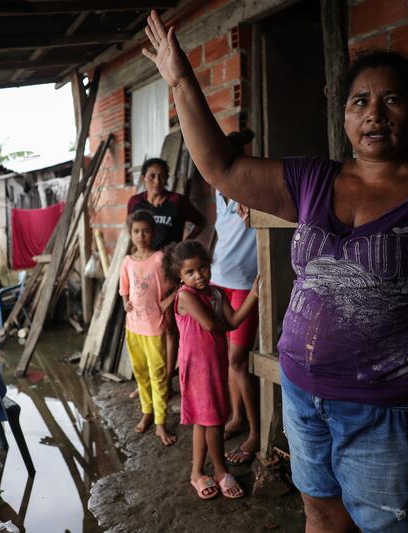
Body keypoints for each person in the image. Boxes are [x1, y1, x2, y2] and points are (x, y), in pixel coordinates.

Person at [143, 10, 408, 532]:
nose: (374, 114)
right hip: (303, 396)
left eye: (391, 100)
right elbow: (223, 168)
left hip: (391, 410)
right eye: (360, 101)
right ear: (343, 114)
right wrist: (181, 80)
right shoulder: (315, 179)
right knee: (319, 513)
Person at [164, 239, 259, 500]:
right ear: (180, 276)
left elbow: (234, 321)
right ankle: (220, 471)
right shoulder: (186, 295)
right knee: (214, 422)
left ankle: (197, 473)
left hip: (215, 366)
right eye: (190, 272)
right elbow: (212, 325)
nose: (199, 275)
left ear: (210, 265)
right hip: (197, 369)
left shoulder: (216, 293)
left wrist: (253, 295)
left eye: (203, 268)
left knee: (204, 421)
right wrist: (226, 324)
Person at [128, 157, 208, 396]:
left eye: (162, 175)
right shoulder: (135, 202)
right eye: (152, 175)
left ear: (168, 178)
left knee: (169, 326)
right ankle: (146, 383)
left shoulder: (176, 202)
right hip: (144, 271)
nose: (157, 180)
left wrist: (182, 244)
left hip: (169, 269)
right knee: (143, 325)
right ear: (144, 177)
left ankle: (166, 382)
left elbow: (201, 222)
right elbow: (131, 230)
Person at [211, 130, 261, 464]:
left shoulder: (255, 190)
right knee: (230, 358)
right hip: (218, 283)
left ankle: (255, 432)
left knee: (238, 359)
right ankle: (237, 417)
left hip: (244, 286)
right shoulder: (219, 189)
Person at [119, 210, 177, 446]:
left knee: (158, 375)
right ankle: (147, 411)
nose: (140, 236)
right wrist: (125, 302)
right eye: (136, 231)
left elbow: (178, 283)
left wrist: (168, 300)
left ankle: (160, 421)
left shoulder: (160, 259)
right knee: (141, 373)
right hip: (133, 327)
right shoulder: (127, 261)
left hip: (154, 328)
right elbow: (124, 288)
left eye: (145, 231)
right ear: (130, 233)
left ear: (153, 233)